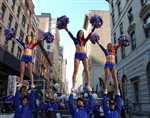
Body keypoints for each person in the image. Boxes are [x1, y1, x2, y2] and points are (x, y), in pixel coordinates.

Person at [65, 26, 95, 91]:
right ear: (78, 34)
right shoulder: (75, 40)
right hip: (77, 55)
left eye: (82, 33)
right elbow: (70, 34)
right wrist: (65, 28)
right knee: (75, 70)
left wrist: (94, 27)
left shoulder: (84, 40)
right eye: (80, 32)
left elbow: (90, 34)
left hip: (84, 55)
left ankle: (88, 85)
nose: (81, 33)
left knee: (87, 70)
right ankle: (73, 86)